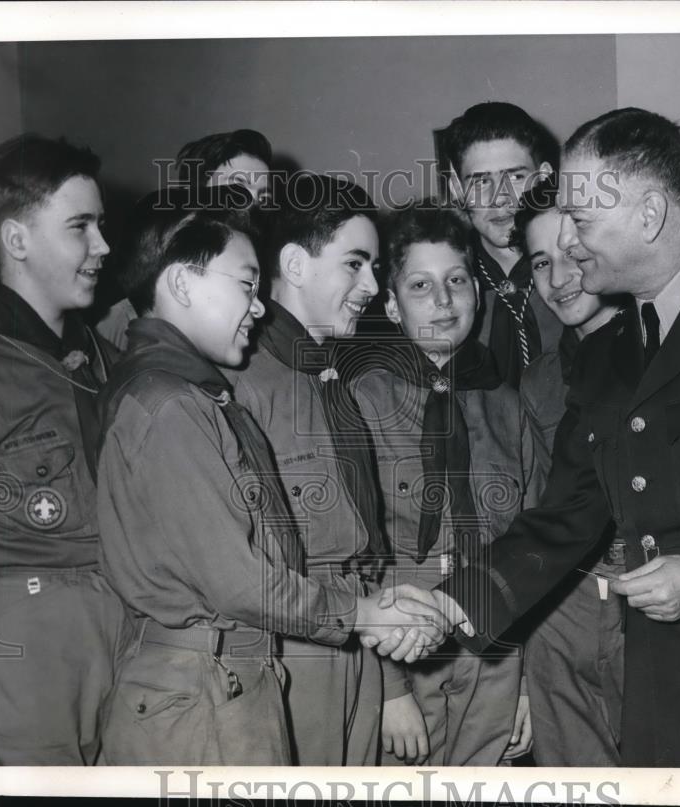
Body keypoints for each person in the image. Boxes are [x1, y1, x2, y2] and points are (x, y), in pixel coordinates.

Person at [432, 107, 680, 767]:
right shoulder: (610, 351)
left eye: (582, 221)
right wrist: (450, 605)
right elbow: (566, 514)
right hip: (661, 695)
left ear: (649, 215)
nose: (569, 239)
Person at [94, 189, 446, 765]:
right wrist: (365, 616)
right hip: (247, 652)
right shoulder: (189, 397)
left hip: (286, 642)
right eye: (244, 286)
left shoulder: (303, 378)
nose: (255, 308)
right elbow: (238, 579)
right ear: (183, 285)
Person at [0, 134, 129, 765]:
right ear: (17, 240)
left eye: (101, 225)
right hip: (19, 652)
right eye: (80, 227)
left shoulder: (102, 362)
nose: (102, 247)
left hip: (122, 633)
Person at [351, 205, 538, 765]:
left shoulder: (507, 407)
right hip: (401, 651)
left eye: (457, 281)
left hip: (495, 655)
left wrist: (526, 682)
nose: (442, 300)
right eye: (420, 285)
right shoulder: (362, 402)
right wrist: (386, 692)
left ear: (477, 295)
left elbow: (533, 545)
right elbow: (351, 560)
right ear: (391, 303)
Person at [230, 174, 393, 765]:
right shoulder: (244, 382)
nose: (372, 286)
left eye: (374, 266)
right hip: (292, 643)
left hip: (357, 629)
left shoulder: (330, 376)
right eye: (355, 264)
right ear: (295, 265)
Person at [514, 179, 627, 765]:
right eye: (540, 263)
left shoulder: (662, 353)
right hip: (568, 603)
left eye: (572, 252)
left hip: (654, 601)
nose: (559, 279)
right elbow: (541, 508)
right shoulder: (540, 381)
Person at [97, 129, 272, 348]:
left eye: (264, 198)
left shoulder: (264, 306)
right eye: (238, 188)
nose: (253, 205)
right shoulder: (121, 322)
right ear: (194, 195)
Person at [441, 101, 563, 389]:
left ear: (544, 178)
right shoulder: (446, 290)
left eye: (516, 177)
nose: (499, 197)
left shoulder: (579, 274)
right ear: (458, 190)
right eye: (481, 182)